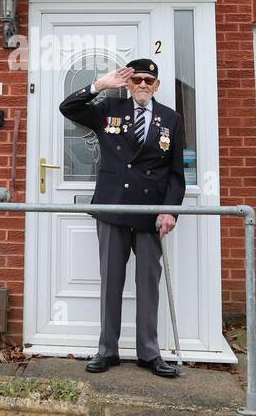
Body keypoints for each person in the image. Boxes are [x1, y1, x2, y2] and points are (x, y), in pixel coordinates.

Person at [57, 59, 186, 378]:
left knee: (148, 284)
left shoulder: (171, 118)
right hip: (112, 208)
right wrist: (100, 85)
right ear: (128, 83)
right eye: (137, 79)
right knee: (111, 282)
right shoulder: (109, 108)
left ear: (157, 86)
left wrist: (170, 209)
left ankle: (149, 353)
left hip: (148, 213)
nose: (143, 85)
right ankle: (107, 350)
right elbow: (67, 108)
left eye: (149, 81)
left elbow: (176, 173)